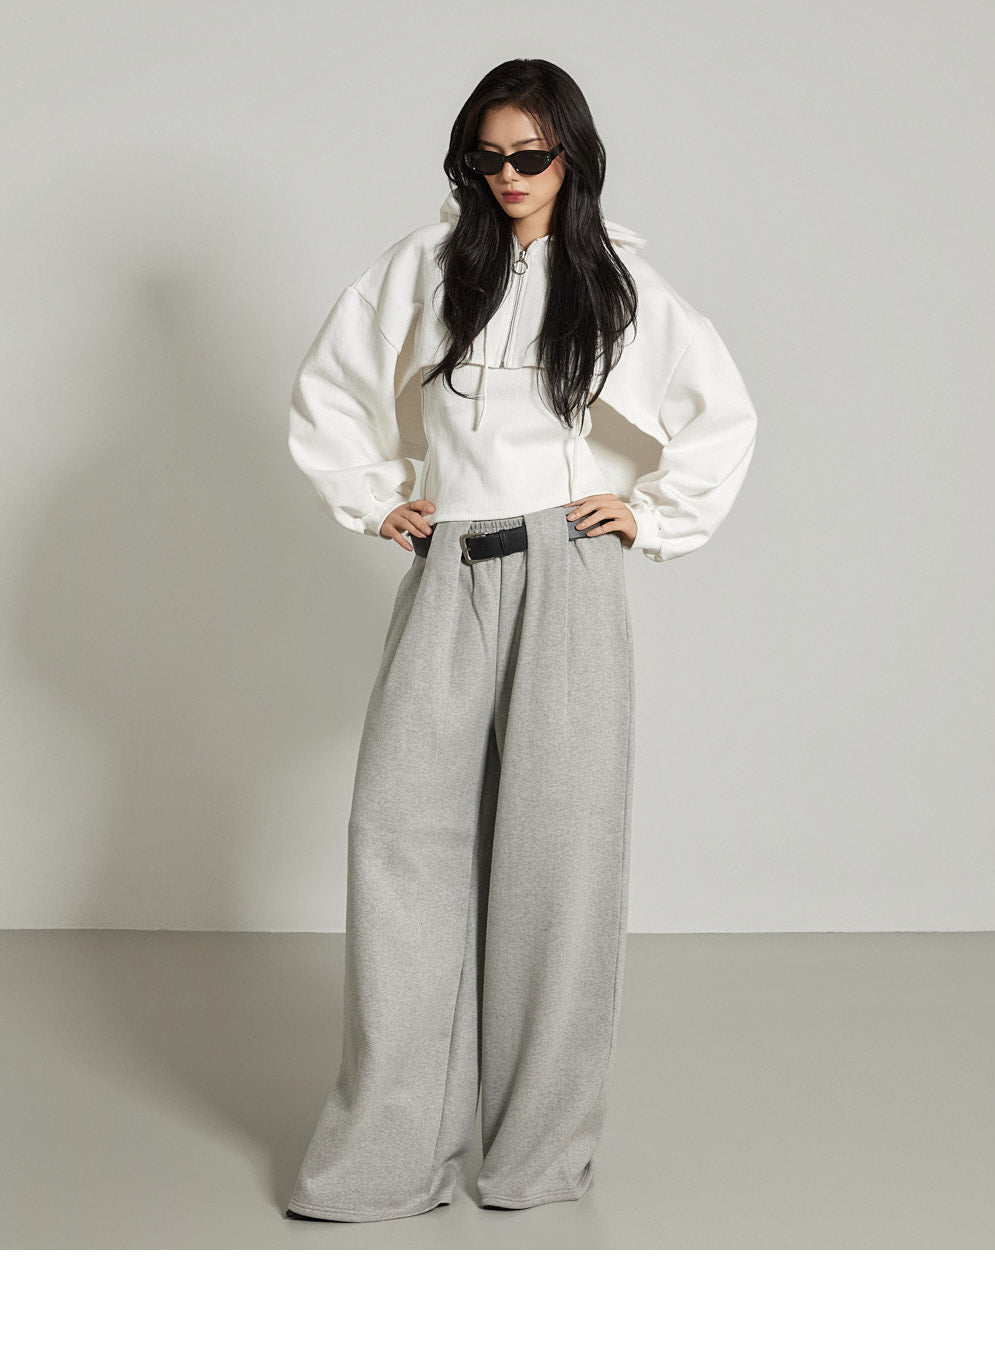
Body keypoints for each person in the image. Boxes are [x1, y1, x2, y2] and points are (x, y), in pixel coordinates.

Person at [284, 58, 758, 1223]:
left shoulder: (615, 281)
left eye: (530, 157)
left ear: (572, 158)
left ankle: (535, 1157)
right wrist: (376, 497)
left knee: (562, 859)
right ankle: (390, 1156)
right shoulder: (425, 265)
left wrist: (649, 515)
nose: (507, 177)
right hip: (450, 561)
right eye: (486, 157)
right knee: (401, 838)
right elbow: (332, 391)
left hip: (566, 571)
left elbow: (720, 413)